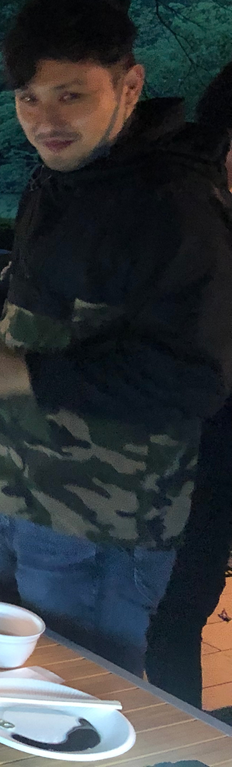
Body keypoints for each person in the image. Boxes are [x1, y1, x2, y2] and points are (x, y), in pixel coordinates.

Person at [0, 0, 232, 677]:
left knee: (74, 698)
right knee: (6, 690)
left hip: (99, 523)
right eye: (29, 99)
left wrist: (15, 373)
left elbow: (194, 377)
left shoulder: (175, 205)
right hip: (15, 490)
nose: (46, 121)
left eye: (71, 95)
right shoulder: (61, 180)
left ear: (131, 85)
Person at [144, 56, 232, 705]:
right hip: (193, 457)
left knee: (183, 607)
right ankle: (185, 735)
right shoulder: (184, 222)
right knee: (176, 610)